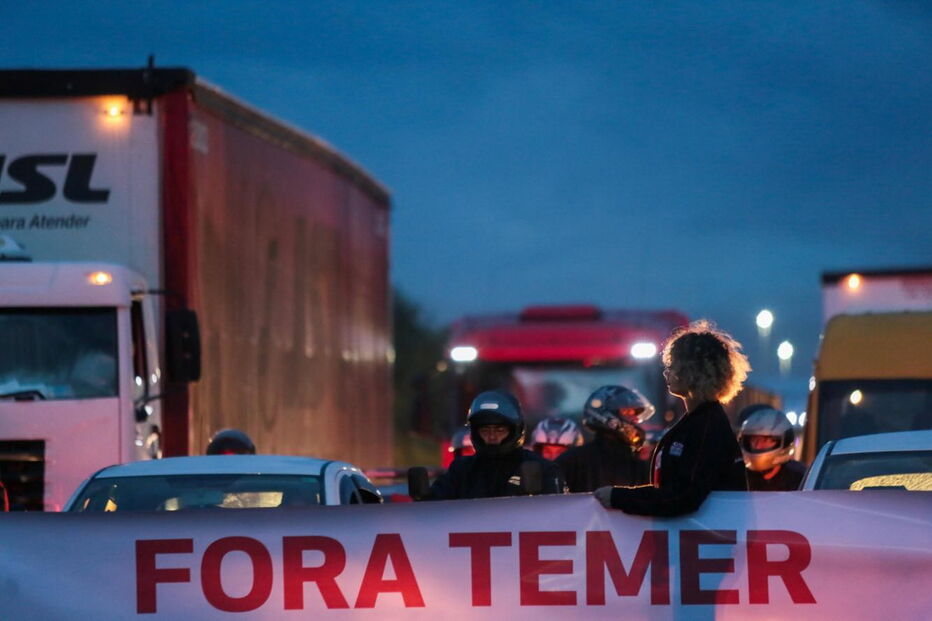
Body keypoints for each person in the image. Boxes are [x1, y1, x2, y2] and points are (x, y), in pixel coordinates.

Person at [595, 320, 749, 516]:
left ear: (693, 373)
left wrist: (618, 497)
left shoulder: (707, 428)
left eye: (673, 366)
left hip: (703, 543)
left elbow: (682, 496)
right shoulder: (698, 422)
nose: (666, 373)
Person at [426, 390, 563, 499]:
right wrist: (423, 495)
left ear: (516, 430)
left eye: (500, 430)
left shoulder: (541, 468)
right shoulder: (462, 469)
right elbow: (433, 506)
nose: (492, 436)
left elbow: (559, 514)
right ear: (475, 432)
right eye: (485, 430)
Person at [556, 385, 653, 492]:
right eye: (627, 412)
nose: (634, 419)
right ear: (607, 416)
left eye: (635, 414)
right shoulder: (574, 461)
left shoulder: (638, 465)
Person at [738, 404, 806, 491]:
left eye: (766, 441)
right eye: (754, 440)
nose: (758, 446)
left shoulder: (801, 478)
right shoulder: (736, 477)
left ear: (784, 442)